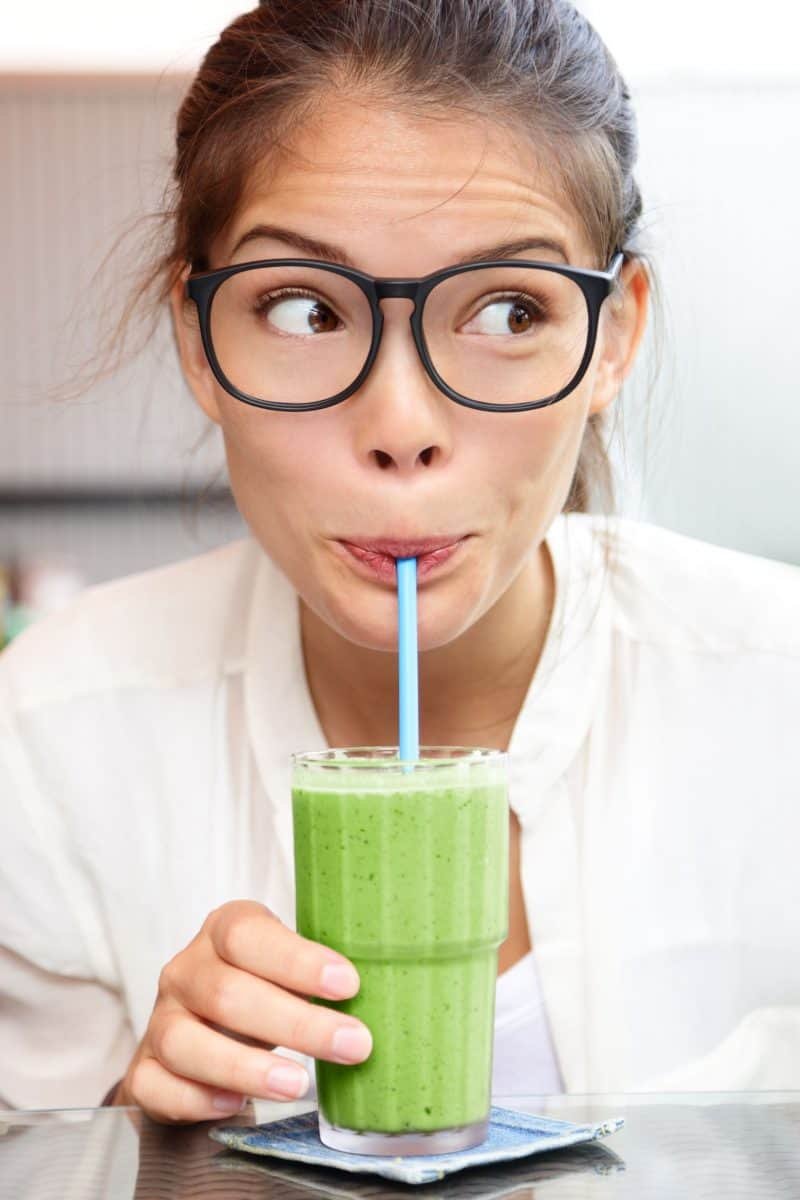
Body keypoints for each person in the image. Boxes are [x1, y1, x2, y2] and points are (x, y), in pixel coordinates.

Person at [2, 0, 799, 1123]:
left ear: (611, 338)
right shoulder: (48, 742)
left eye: (511, 308)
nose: (401, 423)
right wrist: (131, 1146)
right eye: (300, 308)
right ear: (196, 342)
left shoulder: (779, 699)